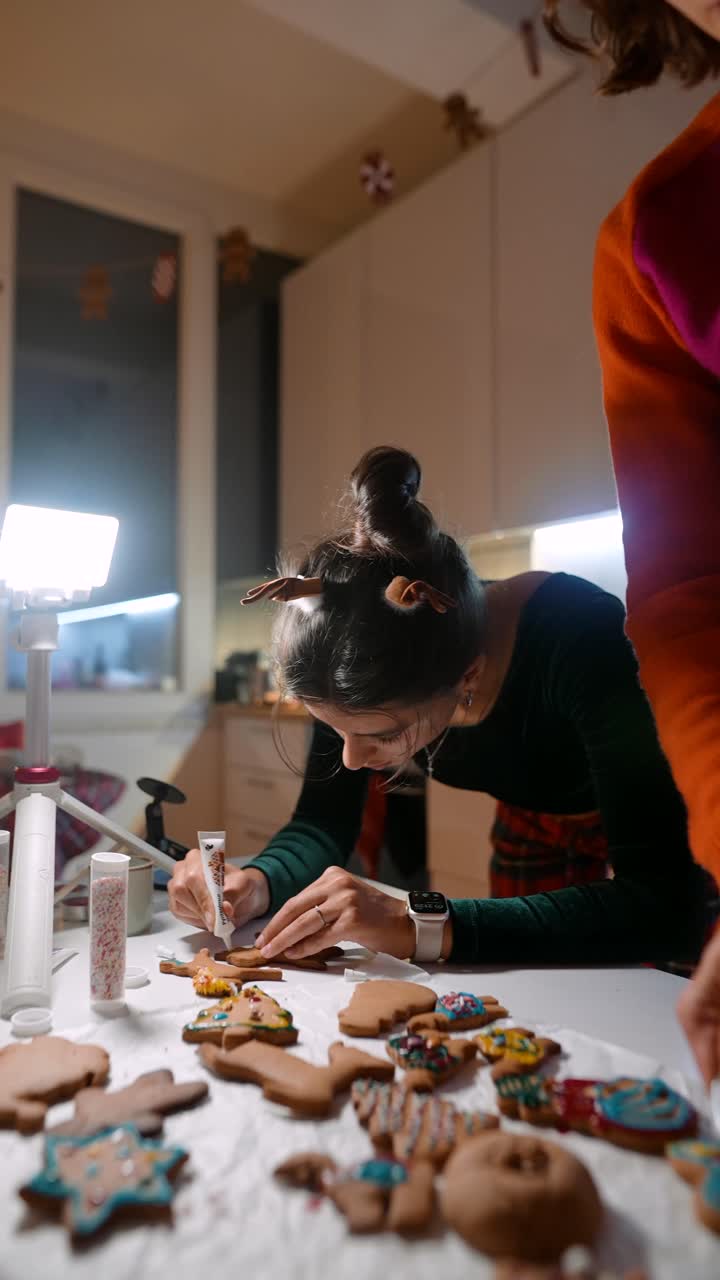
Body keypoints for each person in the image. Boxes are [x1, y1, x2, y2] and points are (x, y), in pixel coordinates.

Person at [169, 447, 706, 976]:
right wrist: (258, 880)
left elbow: (663, 903)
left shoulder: (582, 639)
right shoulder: (364, 654)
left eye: (384, 734)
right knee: (549, 996)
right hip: (532, 820)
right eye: (338, 732)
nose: (354, 759)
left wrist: (415, 923)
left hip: (679, 814)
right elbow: (322, 820)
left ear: (467, 677)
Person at [543, 1, 720, 1085]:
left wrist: (432, 928)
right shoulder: (658, 234)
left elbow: (645, 899)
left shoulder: (565, 657)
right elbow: (693, 594)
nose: (362, 758)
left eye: (367, 740)